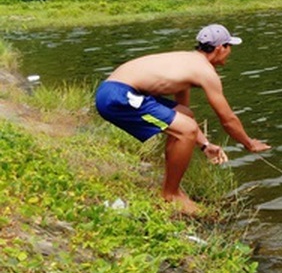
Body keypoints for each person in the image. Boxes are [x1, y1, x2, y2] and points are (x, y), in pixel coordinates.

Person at [95, 23, 270, 214]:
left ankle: (171, 187)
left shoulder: (189, 61)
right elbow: (227, 119)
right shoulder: (205, 72)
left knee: (185, 120)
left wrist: (204, 145)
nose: (230, 52)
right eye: (230, 47)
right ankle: (170, 195)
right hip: (117, 97)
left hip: (116, 91)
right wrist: (249, 144)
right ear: (220, 48)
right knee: (186, 131)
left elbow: (183, 111)